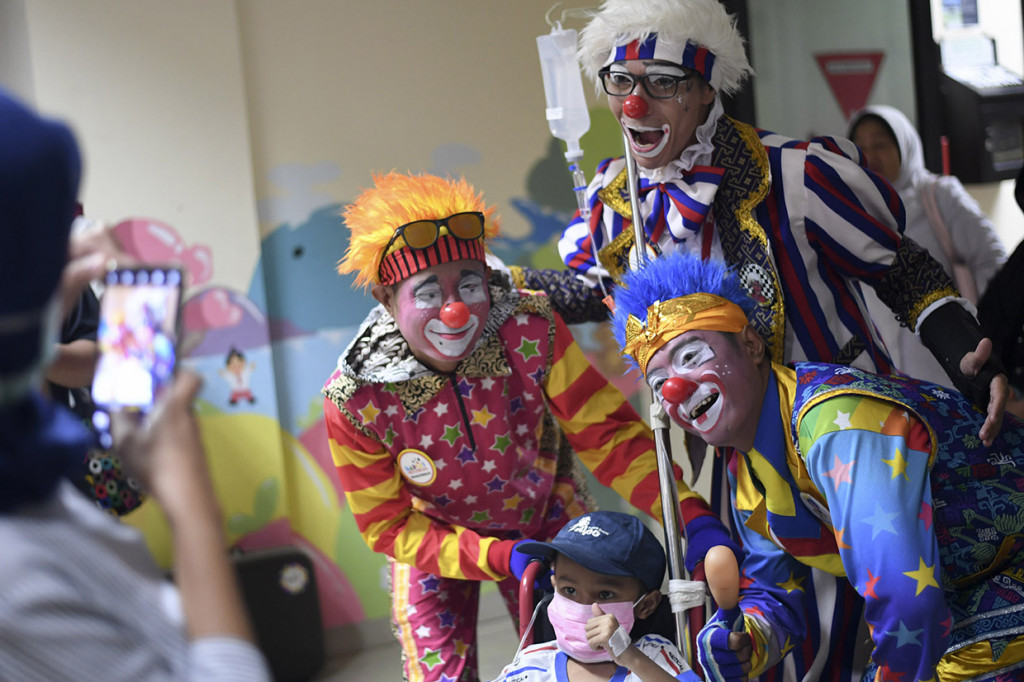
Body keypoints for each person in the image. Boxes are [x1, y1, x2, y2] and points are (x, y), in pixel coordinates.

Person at [321, 171, 734, 682]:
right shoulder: (358, 397)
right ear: (387, 298)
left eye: (469, 284)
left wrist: (690, 516)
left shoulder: (529, 328)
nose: (455, 311)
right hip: (434, 542)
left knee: (588, 662)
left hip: (547, 521)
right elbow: (387, 524)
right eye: (429, 292)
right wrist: (496, 555)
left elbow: (608, 437)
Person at [610, 250, 1024, 682]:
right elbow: (778, 593)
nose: (675, 389)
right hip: (961, 602)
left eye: (691, 357)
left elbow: (906, 602)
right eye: (658, 384)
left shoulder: (833, 425)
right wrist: (744, 642)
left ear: (752, 345)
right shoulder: (749, 471)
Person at [0, 88, 270, 681]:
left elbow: (107, 364)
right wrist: (189, 498)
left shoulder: (27, 484)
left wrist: (43, 334)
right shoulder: (18, 574)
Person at [847, 104, 1008, 389]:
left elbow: (992, 262)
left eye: (881, 144)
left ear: (904, 145)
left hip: (951, 364)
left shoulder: (937, 195)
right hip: (887, 376)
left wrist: (968, 325)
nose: (870, 156)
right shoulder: (853, 212)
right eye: (860, 148)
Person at [490, 510, 700, 682]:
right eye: (569, 590)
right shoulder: (532, 665)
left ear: (646, 605)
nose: (583, 605)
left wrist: (630, 657)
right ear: (554, 586)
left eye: (604, 594)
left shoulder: (654, 656)